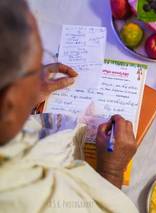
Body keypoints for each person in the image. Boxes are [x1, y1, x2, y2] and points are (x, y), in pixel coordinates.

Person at [0, 0, 138, 212]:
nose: (42, 72)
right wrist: (112, 171)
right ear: (10, 99)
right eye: (35, 68)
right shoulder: (30, 198)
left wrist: (24, 98)